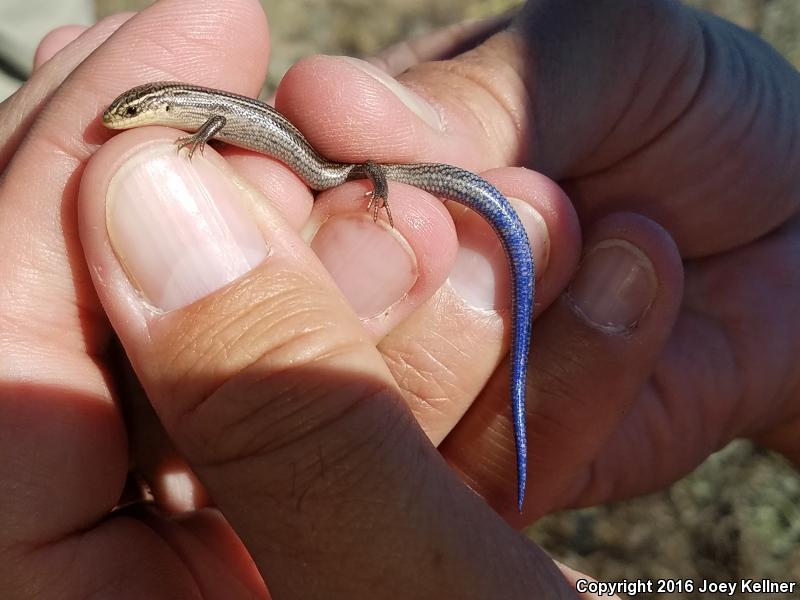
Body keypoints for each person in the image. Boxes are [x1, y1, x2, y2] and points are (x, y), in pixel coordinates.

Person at [0, 0, 797, 597]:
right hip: (336, 177)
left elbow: (220, 130)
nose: (124, 120)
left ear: (162, 106)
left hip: (345, 169)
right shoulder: (192, 108)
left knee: (374, 204)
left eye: (133, 111)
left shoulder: (199, 116)